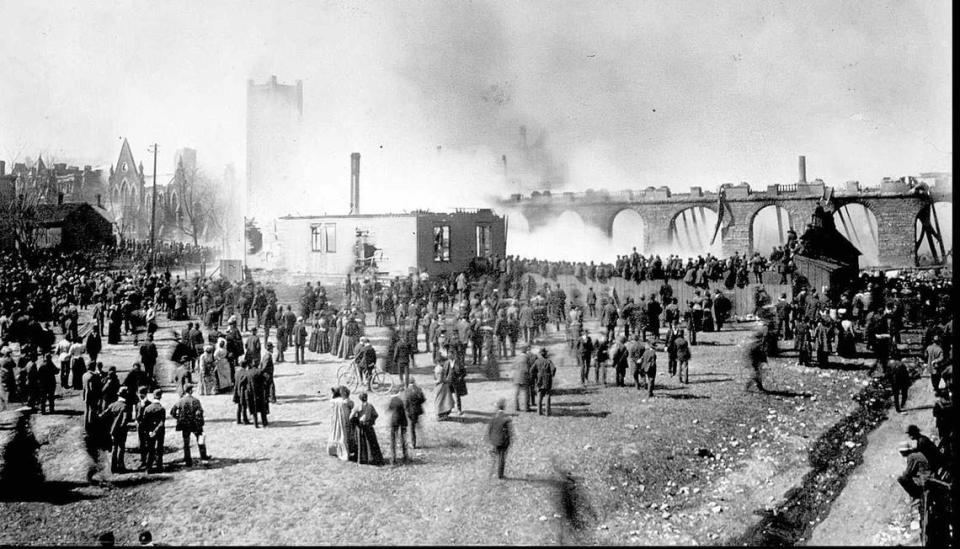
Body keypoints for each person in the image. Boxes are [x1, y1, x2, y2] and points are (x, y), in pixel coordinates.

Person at [169, 384, 209, 467]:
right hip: (195, 424)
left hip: (185, 425)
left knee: (186, 443)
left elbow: (172, 412)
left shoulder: (180, 401)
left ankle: (188, 460)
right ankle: (204, 457)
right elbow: (200, 412)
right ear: (191, 391)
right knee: (200, 440)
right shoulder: (196, 401)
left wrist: (179, 418)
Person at [99, 387, 130, 473]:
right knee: (121, 448)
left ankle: (113, 467)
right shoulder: (125, 406)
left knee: (114, 448)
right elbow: (125, 419)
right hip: (121, 430)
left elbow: (103, 414)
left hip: (112, 430)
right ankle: (120, 466)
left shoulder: (112, 405)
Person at [350, 392, 384, 465]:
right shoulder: (370, 406)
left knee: (361, 443)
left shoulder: (358, 406)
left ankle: (362, 459)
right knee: (371, 443)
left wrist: (357, 421)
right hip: (369, 426)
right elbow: (376, 415)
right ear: (367, 398)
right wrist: (371, 421)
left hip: (361, 427)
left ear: (360, 399)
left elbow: (351, 417)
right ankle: (372, 458)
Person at [486, 398, 513, 480]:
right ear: (504, 407)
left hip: (494, 440)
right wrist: (509, 441)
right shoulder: (506, 418)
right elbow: (509, 432)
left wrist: (490, 439)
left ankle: (491, 470)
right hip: (502, 441)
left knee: (496, 453)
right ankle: (500, 475)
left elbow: (489, 429)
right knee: (502, 458)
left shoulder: (493, 418)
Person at [141, 389, 166, 473]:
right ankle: (159, 466)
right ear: (160, 397)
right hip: (159, 432)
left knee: (150, 449)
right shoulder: (162, 409)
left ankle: (149, 467)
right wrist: (156, 430)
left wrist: (149, 431)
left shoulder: (147, 408)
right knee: (159, 449)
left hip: (149, 432)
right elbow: (162, 422)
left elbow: (144, 421)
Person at [434, 347, 456, 421]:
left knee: (440, 399)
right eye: (442, 361)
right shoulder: (440, 369)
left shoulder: (436, 368)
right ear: (440, 361)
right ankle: (442, 414)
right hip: (442, 386)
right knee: (445, 400)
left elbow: (436, 378)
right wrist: (447, 380)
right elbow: (440, 380)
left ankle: (441, 414)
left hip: (439, 386)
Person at [403, 379, 426, 449]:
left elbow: (406, 403)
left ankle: (413, 444)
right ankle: (422, 441)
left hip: (411, 412)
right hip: (418, 411)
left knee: (411, 428)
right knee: (418, 426)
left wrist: (406, 410)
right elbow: (423, 399)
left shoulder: (407, 391)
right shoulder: (418, 389)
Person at [386, 394, 408, 465]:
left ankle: (393, 458)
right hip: (403, 420)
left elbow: (389, 409)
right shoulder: (400, 401)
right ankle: (405, 455)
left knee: (393, 440)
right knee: (403, 439)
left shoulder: (393, 400)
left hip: (394, 421)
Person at [534, 347, 556, 416]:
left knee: (540, 395)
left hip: (539, 379)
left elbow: (531, 370)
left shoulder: (537, 361)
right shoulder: (548, 361)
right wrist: (551, 375)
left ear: (540, 354)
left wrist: (536, 375)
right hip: (547, 379)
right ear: (546, 354)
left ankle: (539, 412)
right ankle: (547, 412)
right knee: (547, 395)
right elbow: (554, 368)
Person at [81, 362, 103, 432]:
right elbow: (93, 388)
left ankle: (85, 426)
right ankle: (91, 426)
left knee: (86, 411)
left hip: (86, 395)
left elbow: (84, 387)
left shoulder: (84, 375)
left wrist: (84, 396)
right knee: (92, 411)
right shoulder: (93, 376)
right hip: (92, 395)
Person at [511, 346, 531, 412]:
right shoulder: (527, 357)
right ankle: (526, 408)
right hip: (524, 377)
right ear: (525, 351)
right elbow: (529, 368)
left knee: (516, 393)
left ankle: (516, 407)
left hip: (516, 377)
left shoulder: (516, 358)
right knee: (526, 393)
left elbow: (512, 367)